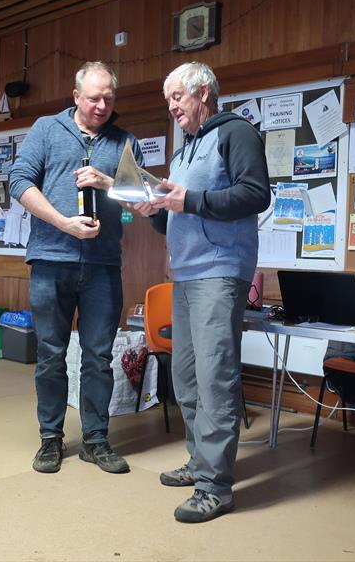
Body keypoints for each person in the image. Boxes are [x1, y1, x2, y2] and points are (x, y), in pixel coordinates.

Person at [133, 62, 270, 522]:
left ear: (203, 92)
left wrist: (186, 200)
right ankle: (200, 462)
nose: (171, 107)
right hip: (187, 274)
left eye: (177, 97)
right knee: (187, 375)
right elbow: (180, 215)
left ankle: (217, 487)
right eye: (168, 99)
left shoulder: (237, 134)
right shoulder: (183, 152)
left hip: (221, 271)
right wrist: (153, 209)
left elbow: (255, 194)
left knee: (215, 378)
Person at [10, 61, 143, 475]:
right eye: (93, 97)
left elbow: (138, 202)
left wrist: (109, 183)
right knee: (50, 355)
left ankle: (96, 440)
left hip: (103, 266)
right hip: (51, 260)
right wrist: (63, 223)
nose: (102, 105)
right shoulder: (46, 130)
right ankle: (50, 439)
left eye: (109, 98)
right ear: (76, 96)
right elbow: (19, 182)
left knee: (98, 356)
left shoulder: (125, 142)